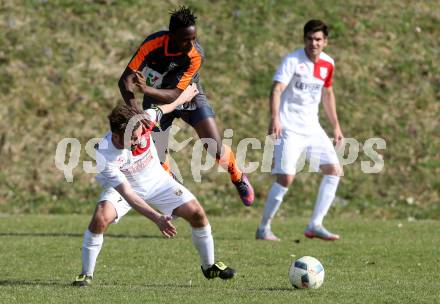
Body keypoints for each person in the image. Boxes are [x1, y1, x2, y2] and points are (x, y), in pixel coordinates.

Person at [72, 84, 236, 287]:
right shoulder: (105, 154)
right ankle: (85, 275)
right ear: (116, 137)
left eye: (140, 134)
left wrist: (184, 97)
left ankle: (209, 266)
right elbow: (130, 195)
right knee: (100, 217)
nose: (139, 140)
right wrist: (157, 218)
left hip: (159, 182)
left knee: (196, 213)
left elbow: (165, 108)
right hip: (126, 188)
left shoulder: (144, 121)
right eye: (132, 139)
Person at [118, 6, 254, 207]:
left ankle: (238, 175)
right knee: (158, 157)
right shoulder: (153, 43)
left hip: (189, 94)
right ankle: (174, 193)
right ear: (171, 35)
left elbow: (175, 94)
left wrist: (146, 89)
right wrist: (138, 116)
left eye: (193, 38)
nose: (191, 43)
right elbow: (124, 81)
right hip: (156, 101)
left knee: (213, 144)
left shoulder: (195, 54)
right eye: (185, 39)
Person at [256, 20, 344, 241]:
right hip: (289, 127)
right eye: (309, 39)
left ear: (325, 41)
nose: (313, 43)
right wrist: (275, 118)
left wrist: (336, 126)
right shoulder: (292, 61)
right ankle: (263, 228)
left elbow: (328, 93)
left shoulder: (328, 63)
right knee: (286, 178)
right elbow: (276, 90)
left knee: (334, 170)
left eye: (318, 39)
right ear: (304, 39)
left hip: (312, 127)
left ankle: (315, 224)